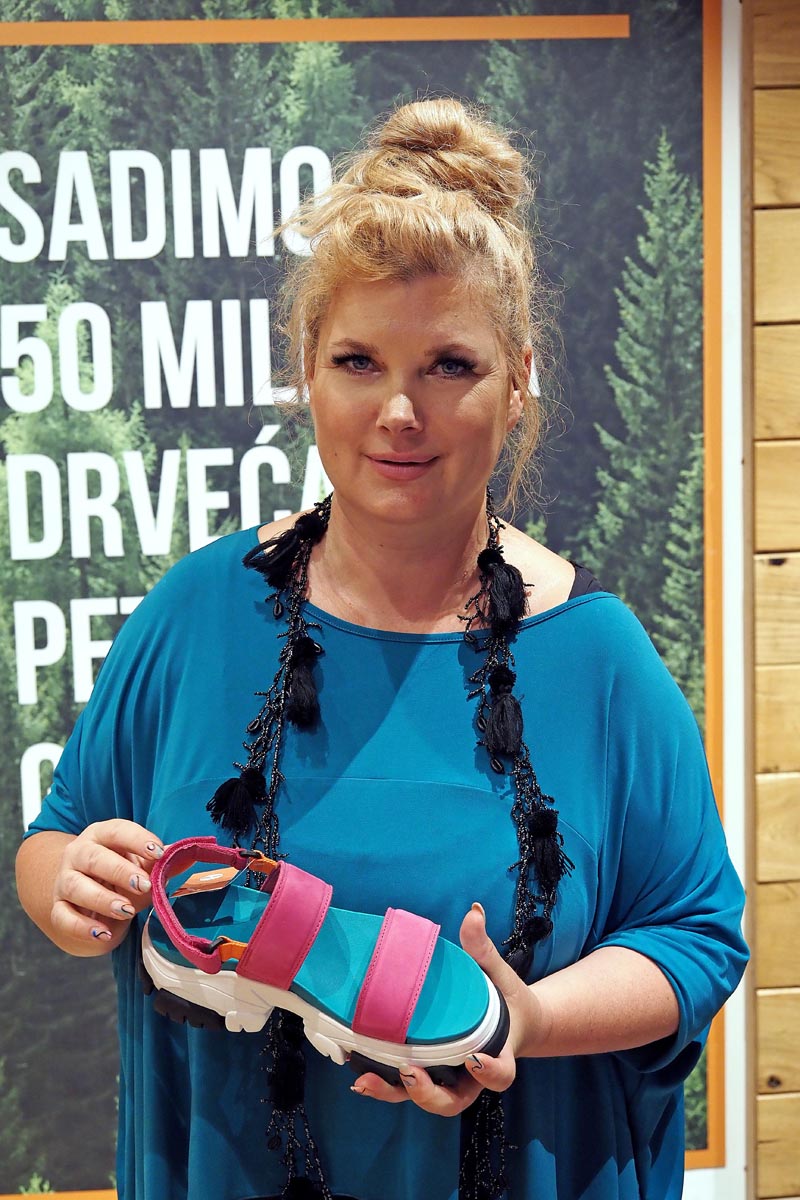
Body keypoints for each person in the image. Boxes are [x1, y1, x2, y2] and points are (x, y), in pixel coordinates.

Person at [16, 98, 747, 1200]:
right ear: (306, 371)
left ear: (519, 380)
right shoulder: (197, 613)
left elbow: (696, 938)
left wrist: (525, 1018)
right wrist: (67, 885)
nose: (400, 411)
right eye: (358, 361)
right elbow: (57, 838)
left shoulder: (596, 659)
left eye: (450, 365)